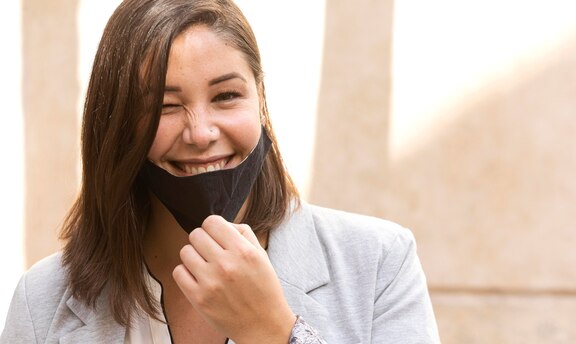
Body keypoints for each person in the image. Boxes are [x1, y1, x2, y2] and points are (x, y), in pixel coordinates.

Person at [1, 0, 440, 343]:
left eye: (227, 96)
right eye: (164, 106)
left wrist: (271, 332)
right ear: (117, 126)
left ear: (260, 100)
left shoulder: (379, 262)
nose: (201, 132)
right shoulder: (42, 301)